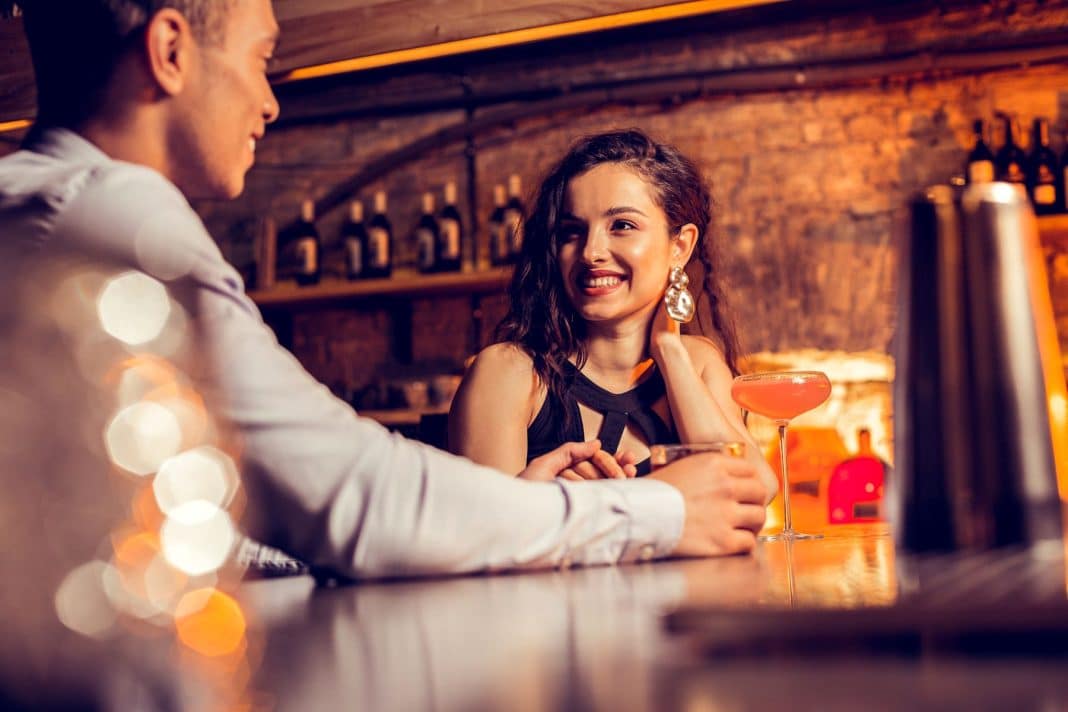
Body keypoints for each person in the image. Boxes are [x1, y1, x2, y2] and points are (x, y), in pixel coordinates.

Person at [0, 0, 770, 581]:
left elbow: (235, 514)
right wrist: (661, 510)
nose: (270, 101)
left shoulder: (42, 201)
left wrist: (533, 509)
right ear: (171, 51)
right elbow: (358, 495)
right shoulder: (109, 216)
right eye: (263, 59)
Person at [450, 129, 777, 490]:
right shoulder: (509, 372)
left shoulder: (697, 362)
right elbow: (485, 523)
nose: (590, 252)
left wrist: (669, 349)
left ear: (680, 247)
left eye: (622, 226)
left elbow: (755, 490)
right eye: (571, 232)